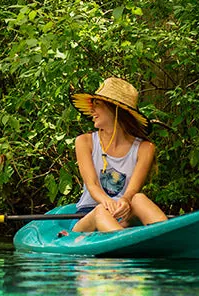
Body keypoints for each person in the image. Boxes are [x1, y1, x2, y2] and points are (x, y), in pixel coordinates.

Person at [69, 77, 168, 232]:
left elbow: (132, 191)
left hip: (123, 212)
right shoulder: (84, 142)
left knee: (139, 198)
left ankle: (167, 239)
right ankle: (125, 244)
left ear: (114, 109)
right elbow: (92, 185)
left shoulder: (145, 148)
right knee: (101, 211)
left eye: (97, 105)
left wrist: (125, 201)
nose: (92, 111)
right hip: (89, 214)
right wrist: (107, 203)